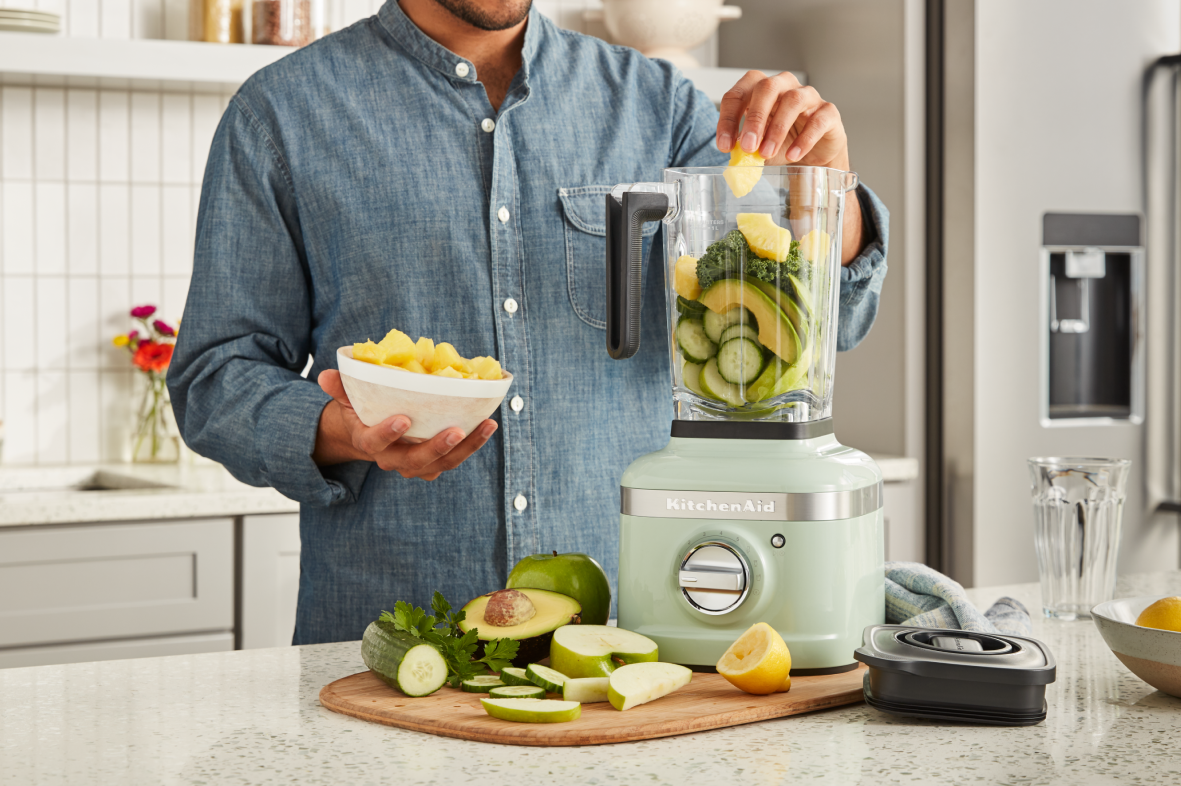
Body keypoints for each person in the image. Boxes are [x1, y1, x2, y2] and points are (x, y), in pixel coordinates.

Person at [169, 0, 889, 645]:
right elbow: (214, 378)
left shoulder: (661, 107)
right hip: (389, 645)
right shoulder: (281, 114)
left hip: (631, 642)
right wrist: (342, 431)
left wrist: (830, 189)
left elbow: (820, 325)